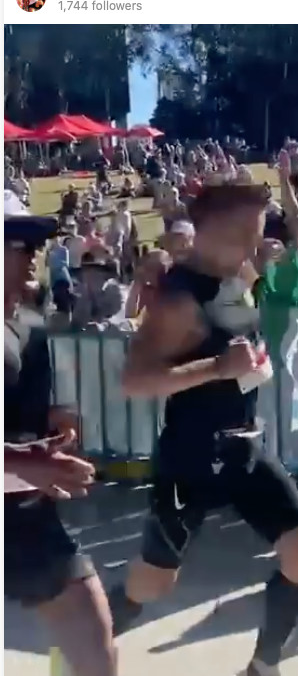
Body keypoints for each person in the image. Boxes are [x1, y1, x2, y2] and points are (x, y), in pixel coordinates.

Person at [108, 182, 298, 676]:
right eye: (242, 236)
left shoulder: (236, 274)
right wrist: (217, 368)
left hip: (243, 447)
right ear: (205, 233)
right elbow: (134, 381)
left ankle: (262, 668)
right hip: (189, 458)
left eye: (257, 233)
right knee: (152, 583)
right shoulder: (179, 300)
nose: (253, 246)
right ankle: (80, 646)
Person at [4, 190, 116, 676]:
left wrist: (53, 428)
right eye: (18, 243)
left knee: (94, 644)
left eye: (34, 244)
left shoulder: (29, 326)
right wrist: (27, 464)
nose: (33, 254)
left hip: (25, 514)